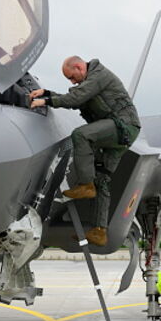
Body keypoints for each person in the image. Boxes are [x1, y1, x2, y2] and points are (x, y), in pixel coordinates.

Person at [29, 56, 141, 247]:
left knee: (81, 135)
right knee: (103, 180)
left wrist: (46, 101)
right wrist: (47, 93)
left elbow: (77, 97)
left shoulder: (98, 75)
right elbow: (75, 101)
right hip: (120, 132)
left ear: (80, 67)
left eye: (73, 77)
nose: (73, 82)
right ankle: (99, 231)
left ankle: (86, 185)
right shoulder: (90, 83)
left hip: (122, 127)